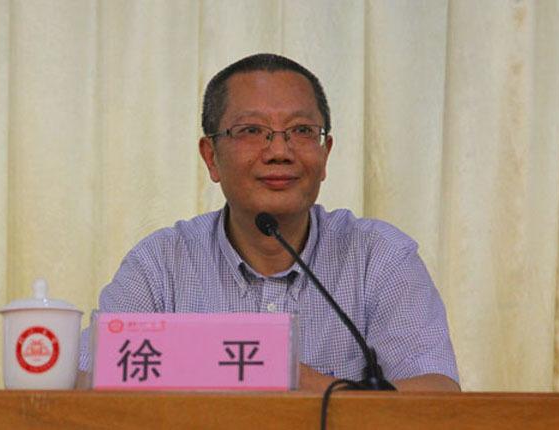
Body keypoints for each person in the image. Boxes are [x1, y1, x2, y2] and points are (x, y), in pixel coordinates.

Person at [77, 53, 459, 391]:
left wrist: (311, 387)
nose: (279, 151)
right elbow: (80, 383)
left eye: (301, 131)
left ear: (325, 154)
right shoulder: (162, 264)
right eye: (251, 131)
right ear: (211, 157)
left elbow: (437, 396)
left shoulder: (379, 257)